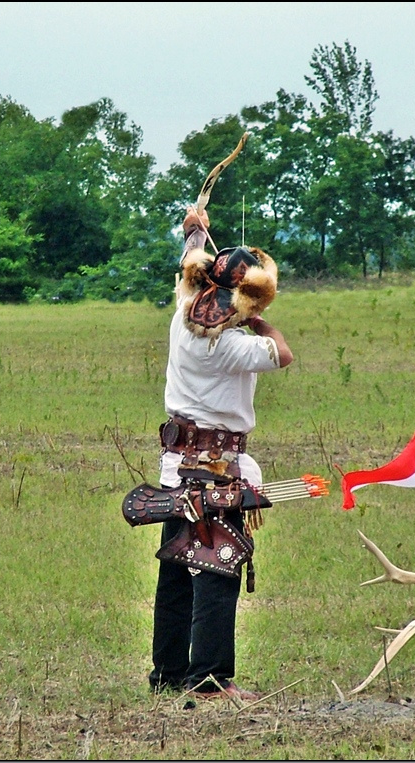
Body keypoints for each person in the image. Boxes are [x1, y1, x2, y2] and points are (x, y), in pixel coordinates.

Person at [148, 205, 294, 702]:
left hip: (177, 467)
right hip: (216, 472)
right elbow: (284, 354)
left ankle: (167, 673)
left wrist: (195, 225)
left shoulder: (180, 313)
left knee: (175, 571)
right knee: (215, 570)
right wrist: (262, 323)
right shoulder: (234, 344)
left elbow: (190, 255)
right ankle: (208, 680)